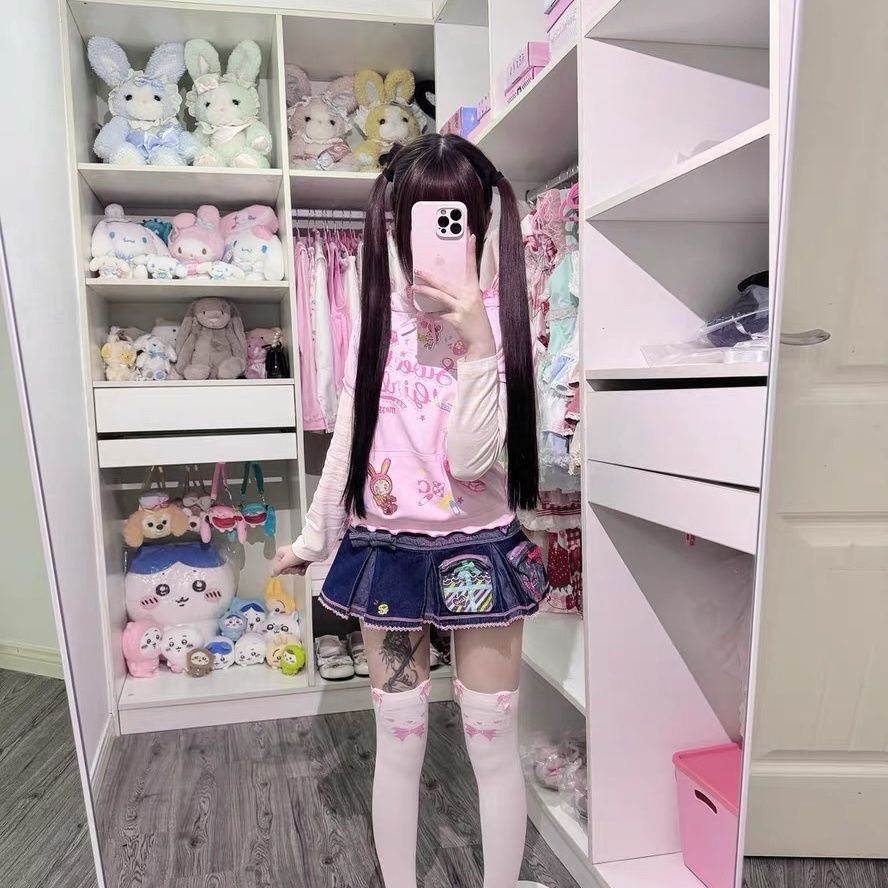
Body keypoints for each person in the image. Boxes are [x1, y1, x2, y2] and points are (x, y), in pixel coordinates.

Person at [273, 132, 548, 888]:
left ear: (480, 224)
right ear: (396, 226)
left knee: (491, 741)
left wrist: (479, 345)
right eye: (422, 219)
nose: (437, 235)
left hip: (479, 551)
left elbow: (472, 461)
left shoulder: (504, 321)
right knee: (399, 741)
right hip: (387, 551)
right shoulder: (377, 318)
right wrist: (313, 538)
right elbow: (349, 439)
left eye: (454, 218)